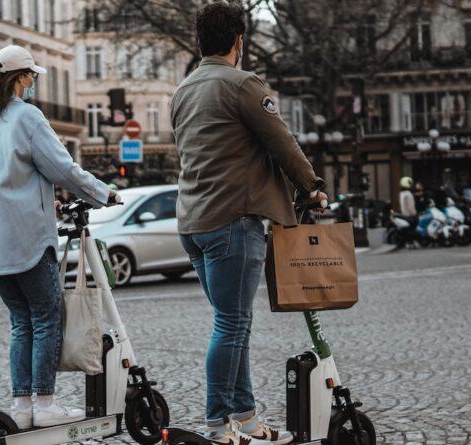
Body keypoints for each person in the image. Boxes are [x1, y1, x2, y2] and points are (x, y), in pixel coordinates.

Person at [170, 4, 325, 444]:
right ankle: (218, 424)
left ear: (200, 41)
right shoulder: (243, 84)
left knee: (233, 321)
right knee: (232, 325)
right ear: (239, 40)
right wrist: (312, 186)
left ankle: (248, 418)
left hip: (193, 223)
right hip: (233, 219)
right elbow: (282, 141)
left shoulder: (183, 90)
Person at [0, 45, 116, 429]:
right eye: (31, 76)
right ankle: (45, 402)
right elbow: (61, 168)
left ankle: (22, 406)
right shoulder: (27, 117)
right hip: (26, 238)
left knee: (21, 321)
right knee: (47, 317)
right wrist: (103, 193)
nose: (34, 82)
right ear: (20, 78)